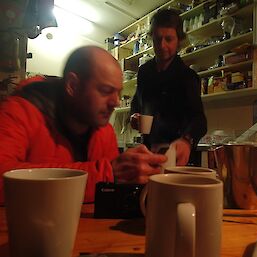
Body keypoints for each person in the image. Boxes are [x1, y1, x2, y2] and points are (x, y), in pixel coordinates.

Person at [0, 46, 167, 204]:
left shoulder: (104, 131)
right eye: (105, 91)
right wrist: (107, 174)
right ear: (73, 85)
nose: (115, 102)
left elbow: (110, 195)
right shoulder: (19, 111)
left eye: (118, 93)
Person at [130, 8, 207, 165]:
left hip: (177, 156)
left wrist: (187, 140)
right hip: (149, 153)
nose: (162, 45)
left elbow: (199, 120)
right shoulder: (144, 72)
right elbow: (136, 103)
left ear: (178, 40)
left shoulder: (188, 76)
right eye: (157, 39)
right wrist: (134, 117)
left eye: (168, 39)